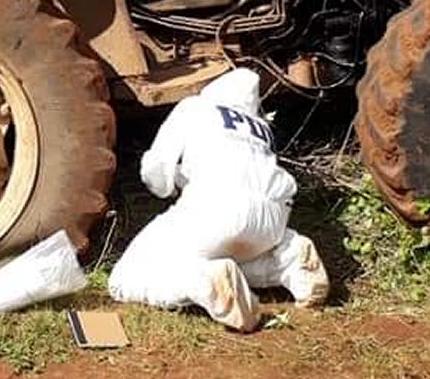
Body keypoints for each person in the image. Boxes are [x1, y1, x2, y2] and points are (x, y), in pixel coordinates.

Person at [107, 68, 329, 332]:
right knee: (228, 255)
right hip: (274, 221)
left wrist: (167, 188)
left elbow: (156, 169)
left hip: (217, 208)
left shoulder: (195, 107)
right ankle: (289, 261)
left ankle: (204, 283)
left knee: (124, 279)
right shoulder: (260, 127)